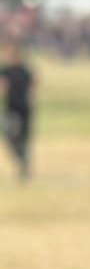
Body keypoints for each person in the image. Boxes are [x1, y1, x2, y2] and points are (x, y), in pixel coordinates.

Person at [2, 41, 34, 182]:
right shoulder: (7, 70)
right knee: (12, 136)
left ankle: (23, 162)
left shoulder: (22, 70)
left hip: (21, 108)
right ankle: (22, 159)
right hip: (14, 108)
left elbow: (34, 84)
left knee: (21, 138)